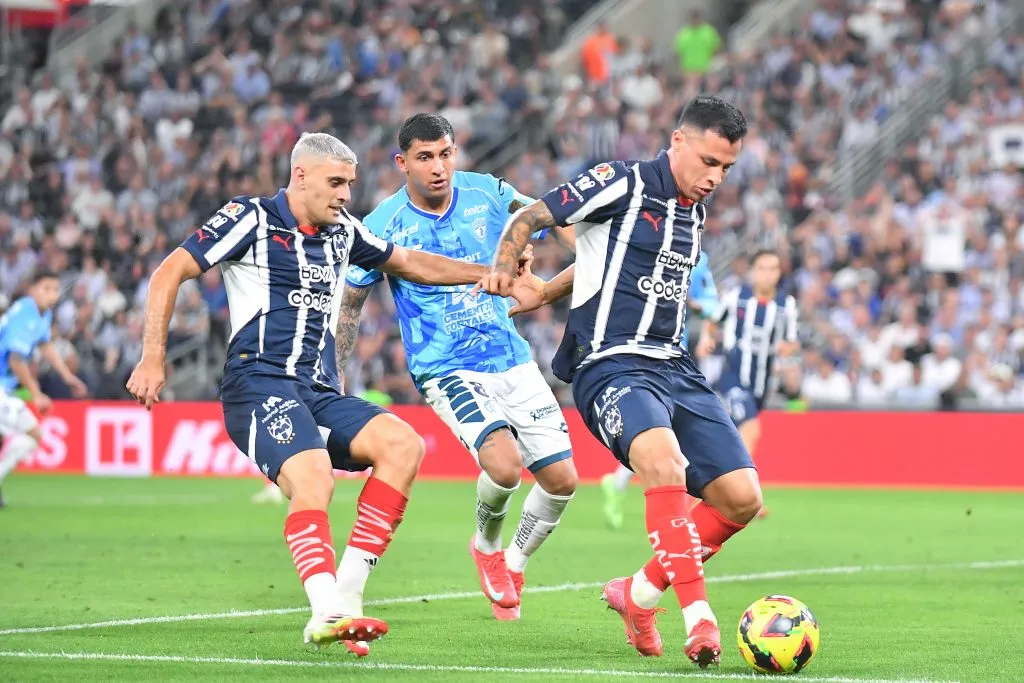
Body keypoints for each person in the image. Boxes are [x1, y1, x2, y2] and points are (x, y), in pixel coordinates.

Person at [126, 132, 533, 653]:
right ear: (300, 176)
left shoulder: (344, 231)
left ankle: (348, 596)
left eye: (350, 184)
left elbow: (411, 262)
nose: (345, 194)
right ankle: (325, 613)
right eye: (336, 182)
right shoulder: (250, 218)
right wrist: (153, 356)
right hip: (258, 383)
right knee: (314, 475)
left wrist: (491, 273)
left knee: (403, 446)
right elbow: (169, 272)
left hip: (314, 389)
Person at [477, 95, 763, 668]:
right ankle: (699, 619)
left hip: (674, 366)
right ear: (678, 141)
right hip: (610, 364)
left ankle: (638, 595)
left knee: (741, 499)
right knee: (665, 464)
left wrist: (549, 289)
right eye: (708, 161)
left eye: (726, 168)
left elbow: (603, 260)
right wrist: (508, 269)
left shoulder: (692, 211)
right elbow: (530, 217)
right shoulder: (621, 181)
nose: (715, 178)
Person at [338, 113, 578, 623]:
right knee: (504, 466)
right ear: (403, 163)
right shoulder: (381, 224)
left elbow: (547, 215)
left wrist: (574, 246)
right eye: (425, 157)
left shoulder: (486, 191)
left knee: (562, 480)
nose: (439, 167)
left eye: (446, 154)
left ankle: (513, 562)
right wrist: (336, 381)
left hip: (508, 354)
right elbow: (351, 304)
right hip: (445, 365)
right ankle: (487, 546)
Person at [599, 248, 719, 529]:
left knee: (668, 430)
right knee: (661, 429)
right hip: (637, 352)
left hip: (676, 354)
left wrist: (705, 332)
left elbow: (711, 304)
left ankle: (619, 483)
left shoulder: (697, 258)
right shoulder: (641, 246)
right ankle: (674, 509)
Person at [696, 248, 799, 517]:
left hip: (761, 384)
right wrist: (707, 339)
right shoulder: (736, 297)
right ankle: (747, 496)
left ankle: (706, 489)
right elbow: (712, 321)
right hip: (733, 377)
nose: (767, 274)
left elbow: (792, 340)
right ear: (753, 272)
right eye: (762, 268)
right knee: (751, 429)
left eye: (773, 269)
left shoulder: (785, 305)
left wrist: (787, 349)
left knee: (732, 438)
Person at [0, 270, 87, 507]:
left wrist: (67, 376)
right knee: (33, 435)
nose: (52, 295)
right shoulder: (25, 315)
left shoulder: (41, 313)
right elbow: (16, 361)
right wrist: (36, 394)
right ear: (32, 289)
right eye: (46, 289)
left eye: (56, 290)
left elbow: (46, 344)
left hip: (4, 389)